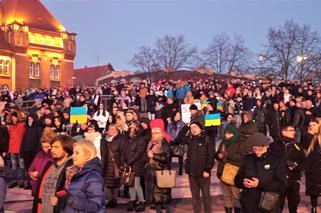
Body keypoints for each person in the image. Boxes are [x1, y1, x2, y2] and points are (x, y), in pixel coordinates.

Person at [235, 133, 286, 213]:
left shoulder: (276, 160)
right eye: (254, 149)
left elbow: (281, 185)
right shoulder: (248, 159)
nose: (257, 152)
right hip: (249, 205)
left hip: (268, 205)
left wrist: (259, 184)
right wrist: (243, 183)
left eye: (260, 149)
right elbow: (237, 179)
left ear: (266, 146)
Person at [51, 140, 105, 213]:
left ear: (88, 154)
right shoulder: (77, 173)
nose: (73, 156)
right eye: (73, 153)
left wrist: (70, 199)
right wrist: (60, 200)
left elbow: (95, 206)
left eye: (77, 153)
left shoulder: (93, 177)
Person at [32, 135, 74, 213]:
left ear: (66, 149)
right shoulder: (49, 164)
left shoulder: (72, 167)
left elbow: (72, 191)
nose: (52, 150)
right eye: (52, 147)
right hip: (41, 208)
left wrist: (60, 199)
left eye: (56, 147)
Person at [270, 125, 306, 213]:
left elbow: (304, 162)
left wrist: (295, 166)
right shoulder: (273, 146)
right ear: (283, 132)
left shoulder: (297, 145)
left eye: (294, 130)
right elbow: (269, 161)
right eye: (291, 130)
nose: (294, 132)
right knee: (277, 206)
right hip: (279, 181)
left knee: (293, 206)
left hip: (294, 180)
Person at [184, 121, 215, 213]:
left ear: (200, 128)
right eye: (191, 128)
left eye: (195, 127)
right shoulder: (190, 140)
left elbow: (211, 156)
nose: (193, 129)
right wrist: (188, 168)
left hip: (203, 173)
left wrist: (207, 170)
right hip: (192, 173)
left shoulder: (207, 139)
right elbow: (179, 139)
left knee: (206, 195)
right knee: (195, 196)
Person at [216, 124, 243, 213]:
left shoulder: (239, 143)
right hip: (222, 173)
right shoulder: (223, 143)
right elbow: (217, 154)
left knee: (236, 195)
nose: (227, 136)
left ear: (235, 134)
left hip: (233, 173)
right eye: (226, 133)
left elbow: (241, 157)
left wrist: (228, 155)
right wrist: (218, 155)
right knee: (226, 195)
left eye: (230, 134)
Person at [146, 127, 172, 213]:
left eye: (156, 133)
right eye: (152, 133)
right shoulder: (150, 143)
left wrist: (154, 156)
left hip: (162, 172)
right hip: (152, 171)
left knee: (165, 195)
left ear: (161, 134)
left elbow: (166, 158)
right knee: (155, 195)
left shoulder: (165, 144)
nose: (153, 135)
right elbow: (147, 155)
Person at [123, 121, 147, 212]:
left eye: (133, 127)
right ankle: (132, 200)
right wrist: (125, 161)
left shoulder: (141, 139)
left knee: (137, 185)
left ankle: (142, 201)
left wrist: (129, 161)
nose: (131, 128)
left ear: (137, 128)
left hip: (137, 164)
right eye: (130, 127)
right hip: (128, 163)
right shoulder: (127, 138)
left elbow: (139, 152)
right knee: (130, 184)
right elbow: (124, 151)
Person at [102, 124, 124, 208]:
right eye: (109, 129)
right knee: (107, 183)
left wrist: (122, 164)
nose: (110, 131)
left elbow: (122, 152)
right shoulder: (104, 139)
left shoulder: (120, 139)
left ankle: (114, 200)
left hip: (116, 164)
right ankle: (110, 199)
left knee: (115, 183)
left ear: (116, 130)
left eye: (112, 129)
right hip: (106, 163)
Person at [28, 128, 55, 195]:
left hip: (47, 191)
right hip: (36, 188)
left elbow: (53, 173)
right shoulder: (39, 154)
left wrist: (38, 174)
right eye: (43, 147)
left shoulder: (54, 156)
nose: (45, 149)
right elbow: (31, 168)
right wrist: (31, 174)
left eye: (47, 147)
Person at [21, 113, 43, 189]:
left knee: (34, 168)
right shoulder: (26, 128)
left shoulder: (38, 128)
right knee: (27, 168)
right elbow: (23, 141)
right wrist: (22, 151)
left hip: (34, 152)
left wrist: (37, 152)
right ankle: (29, 183)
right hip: (26, 151)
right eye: (29, 119)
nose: (30, 120)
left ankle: (34, 183)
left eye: (31, 119)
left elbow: (39, 141)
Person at [7, 110, 26, 188]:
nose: (13, 119)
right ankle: (14, 181)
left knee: (22, 166)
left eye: (15, 117)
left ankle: (22, 181)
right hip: (12, 148)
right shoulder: (10, 127)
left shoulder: (22, 125)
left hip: (20, 148)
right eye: (12, 118)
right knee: (14, 166)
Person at [305, 123, 321, 213]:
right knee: (313, 187)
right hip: (312, 166)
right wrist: (309, 135)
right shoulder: (310, 136)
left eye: (314, 125)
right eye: (310, 125)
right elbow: (304, 146)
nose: (311, 126)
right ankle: (314, 207)